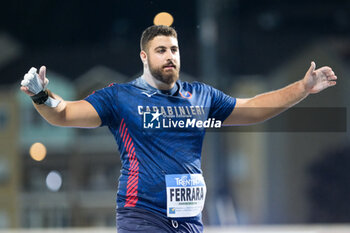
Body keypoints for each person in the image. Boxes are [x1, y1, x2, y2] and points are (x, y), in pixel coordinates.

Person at [20, 25, 337, 233]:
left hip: (189, 222)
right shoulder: (120, 97)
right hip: (142, 217)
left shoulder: (201, 95)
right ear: (144, 57)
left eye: (174, 49)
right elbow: (63, 113)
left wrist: (302, 87)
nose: (170, 56)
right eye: (161, 50)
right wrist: (41, 95)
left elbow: (253, 109)